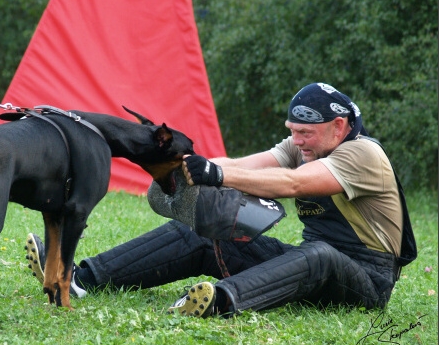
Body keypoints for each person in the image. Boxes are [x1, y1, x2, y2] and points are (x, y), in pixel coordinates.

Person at [24, 82, 410, 318]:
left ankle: (220, 302)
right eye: (292, 131)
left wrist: (219, 176)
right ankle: (80, 278)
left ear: (339, 127)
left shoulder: (364, 154)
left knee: (320, 256)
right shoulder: (304, 146)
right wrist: (184, 165)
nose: (297, 140)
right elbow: (241, 164)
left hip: (367, 282)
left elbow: (292, 184)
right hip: (311, 263)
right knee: (203, 234)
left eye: (305, 132)